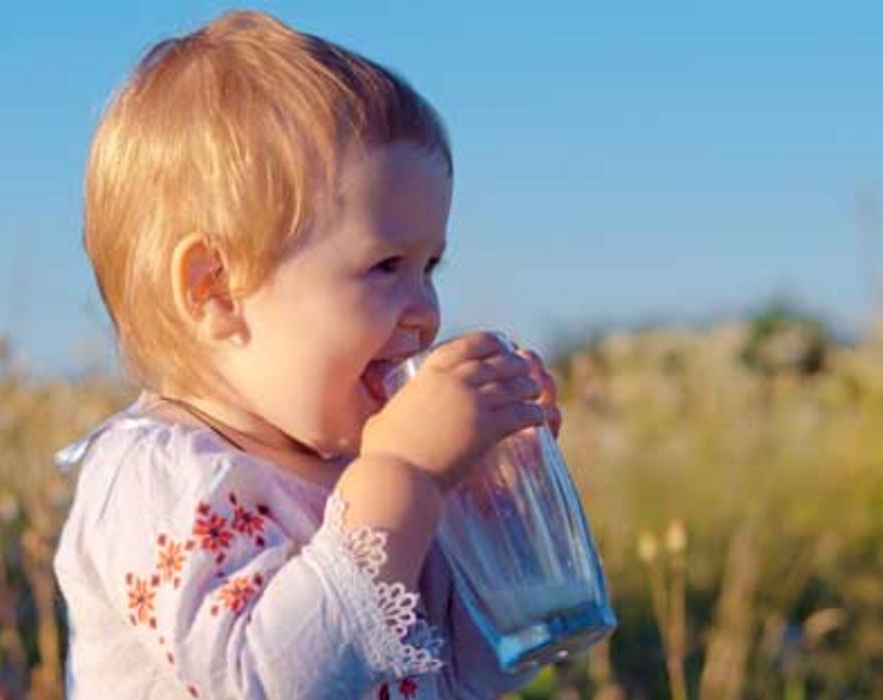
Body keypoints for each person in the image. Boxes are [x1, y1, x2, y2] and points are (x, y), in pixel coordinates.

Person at [53, 9, 562, 698]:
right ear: (217, 289)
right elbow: (263, 681)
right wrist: (404, 472)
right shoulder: (158, 476)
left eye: (430, 266)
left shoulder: (364, 475)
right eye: (385, 266)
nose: (426, 310)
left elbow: (470, 670)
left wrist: (490, 503)